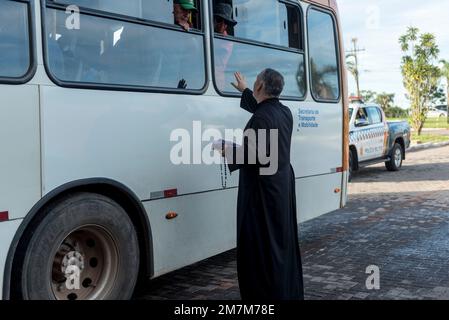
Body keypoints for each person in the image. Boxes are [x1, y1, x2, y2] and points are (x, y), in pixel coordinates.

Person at [215, 69, 304, 300]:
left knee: (262, 250)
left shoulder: (264, 117)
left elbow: (255, 155)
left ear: (261, 87)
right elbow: (264, 112)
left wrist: (225, 148)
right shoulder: (283, 112)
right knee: (279, 247)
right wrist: (244, 90)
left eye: (255, 82)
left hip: (262, 194)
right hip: (280, 188)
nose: (253, 84)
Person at [213, 2, 237, 90]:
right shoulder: (212, 35)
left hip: (217, 83)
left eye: (226, 22)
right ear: (213, 19)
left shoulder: (227, 42)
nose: (222, 25)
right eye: (219, 20)